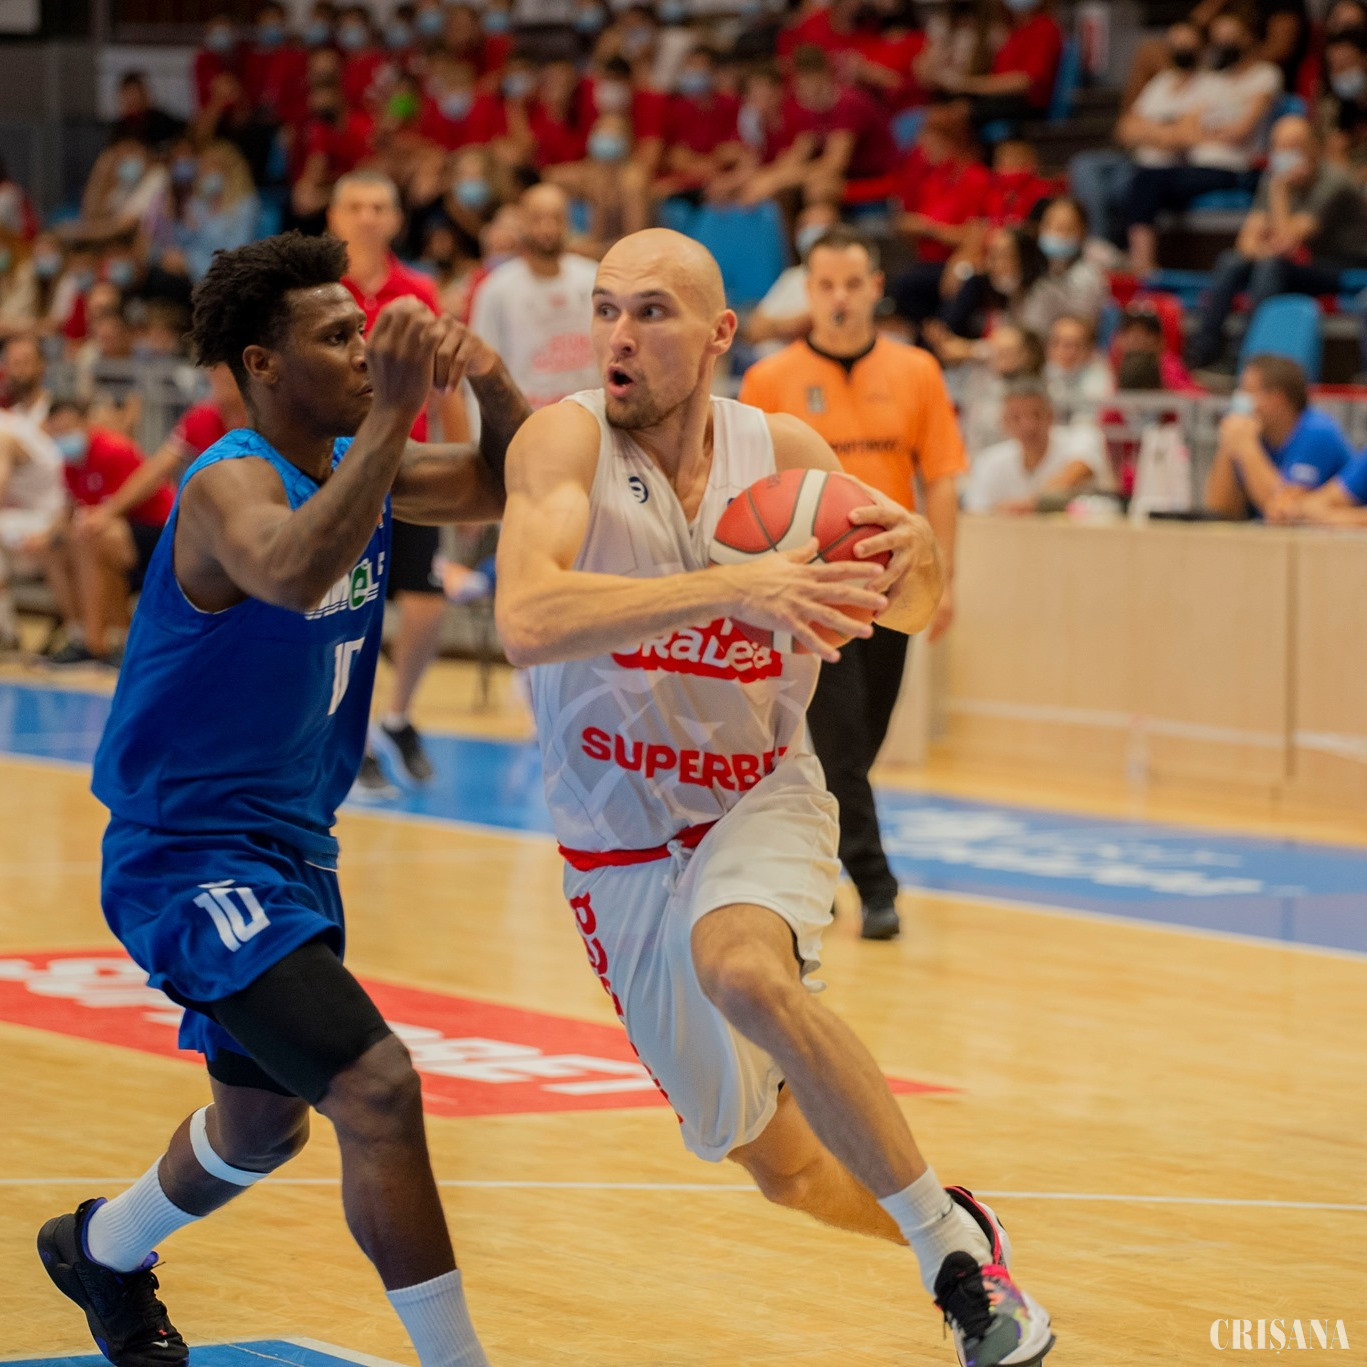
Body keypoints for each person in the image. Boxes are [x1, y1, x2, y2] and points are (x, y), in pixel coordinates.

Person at [495, 226, 1053, 1366]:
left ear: (718, 334)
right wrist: (731, 585)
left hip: (758, 794)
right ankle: (961, 1227)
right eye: (605, 308)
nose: (618, 335)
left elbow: (908, 609)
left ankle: (952, 1268)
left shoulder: (783, 455)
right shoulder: (565, 441)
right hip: (616, 846)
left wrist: (915, 555)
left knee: (741, 967)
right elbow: (525, 618)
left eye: (650, 312)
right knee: (783, 1167)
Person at [35, 231, 529, 1367]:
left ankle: (100, 1248)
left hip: (292, 846)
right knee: (376, 1084)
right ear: (262, 363)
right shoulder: (228, 484)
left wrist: (489, 378)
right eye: (337, 335)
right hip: (188, 851)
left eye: (365, 330)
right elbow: (297, 566)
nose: (363, 349)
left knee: (261, 1128)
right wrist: (397, 412)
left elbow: (499, 484)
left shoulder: (358, 460)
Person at [739, 227, 965, 940]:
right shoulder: (768, 379)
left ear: (874, 289)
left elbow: (942, 481)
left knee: (862, 741)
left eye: (852, 284)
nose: (839, 298)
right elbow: (749, 492)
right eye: (826, 285)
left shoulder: (917, 371)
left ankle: (812, 859)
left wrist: (942, 579)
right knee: (837, 742)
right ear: (809, 292)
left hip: (890, 584)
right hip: (809, 589)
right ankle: (876, 884)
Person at [328, 170, 467, 794]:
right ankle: (348, 735)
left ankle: (399, 717)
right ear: (334, 218)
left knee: (427, 601)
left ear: (395, 218)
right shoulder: (319, 292)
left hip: (407, 470)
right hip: (338, 470)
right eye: (355, 205)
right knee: (351, 607)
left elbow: (445, 385)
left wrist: (466, 468)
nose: (366, 216)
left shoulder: (417, 291)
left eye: (378, 205)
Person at [64, 364, 248, 665]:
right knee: (90, 535)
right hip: (181, 534)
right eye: (214, 375)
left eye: (223, 375)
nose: (216, 382)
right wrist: (105, 514)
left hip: (229, 535)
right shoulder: (202, 417)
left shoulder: (266, 423)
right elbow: (155, 469)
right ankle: (103, 643)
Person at [1189, 115, 1367, 374]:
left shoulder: (1334, 182)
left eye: (1293, 145)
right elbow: (1245, 243)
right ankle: (1202, 354)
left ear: (1313, 148)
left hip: (1342, 267)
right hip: (1295, 264)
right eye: (1279, 146)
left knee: (1272, 265)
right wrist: (1265, 246)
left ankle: (1243, 358)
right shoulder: (1273, 178)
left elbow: (1288, 242)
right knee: (1231, 262)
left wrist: (1279, 191)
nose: (1285, 153)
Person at [1124, 8, 1281, 276]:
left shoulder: (1265, 75)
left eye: (1230, 36)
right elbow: (1186, 128)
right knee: (1143, 177)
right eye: (1218, 38)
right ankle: (1142, 261)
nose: (1224, 43)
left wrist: (1205, 131)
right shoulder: (1214, 81)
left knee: (1149, 179)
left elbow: (1239, 132)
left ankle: (1143, 264)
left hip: (1234, 168)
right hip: (1194, 165)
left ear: (1247, 38)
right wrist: (1205, 131)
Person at [36, 396, 173, 667]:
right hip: (117, 533)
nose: (63, 436)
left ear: (84, 424)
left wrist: (98, 518)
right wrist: (45, 537)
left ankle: (113, 640)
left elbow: (119, 507)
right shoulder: (71, 464)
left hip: (155, 532)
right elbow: (70, 510)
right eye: (57, 431)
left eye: (68, 428)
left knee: (93, 540)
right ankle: (78, 635)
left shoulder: (114, 450)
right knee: (54, 549)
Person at [468, 184, 599, 409]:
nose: (547, 228)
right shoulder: (496, 289)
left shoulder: (594, 278)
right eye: (537, 219)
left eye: (556, 218)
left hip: (590, 413)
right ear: (522, 223)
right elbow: (479, 367)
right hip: (528, 419)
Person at [1204, 353, 1355, 517]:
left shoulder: (1317, 432)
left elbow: (1283, 511)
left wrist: (1248, 448)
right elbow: (1221, 510)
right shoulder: (1255, 434)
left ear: (1277, 399)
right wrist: (1228, 445)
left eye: (1248, 391)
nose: (1240, 400)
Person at [963, 377, 1111, 513]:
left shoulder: (1081, 437)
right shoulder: (989, 461)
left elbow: (1078, 471)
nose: (1028, 425)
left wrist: (1025, 505)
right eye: (1016, 418)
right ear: (1004, 422)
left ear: (1051, 416)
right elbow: (977, 510)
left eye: (1036, 415)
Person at [0, 406, 64, 652]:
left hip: (48, 523)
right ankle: (6, 631)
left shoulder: (5, 435)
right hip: (28, 520)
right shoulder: (14, 423)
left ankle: (5, 632)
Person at [1044, 313, 1113, 421]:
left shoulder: (1100, 377)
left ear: (1088, 348)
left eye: (1074, 344)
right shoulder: (1038, 375)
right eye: (1057, 342)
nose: (1064, 350)